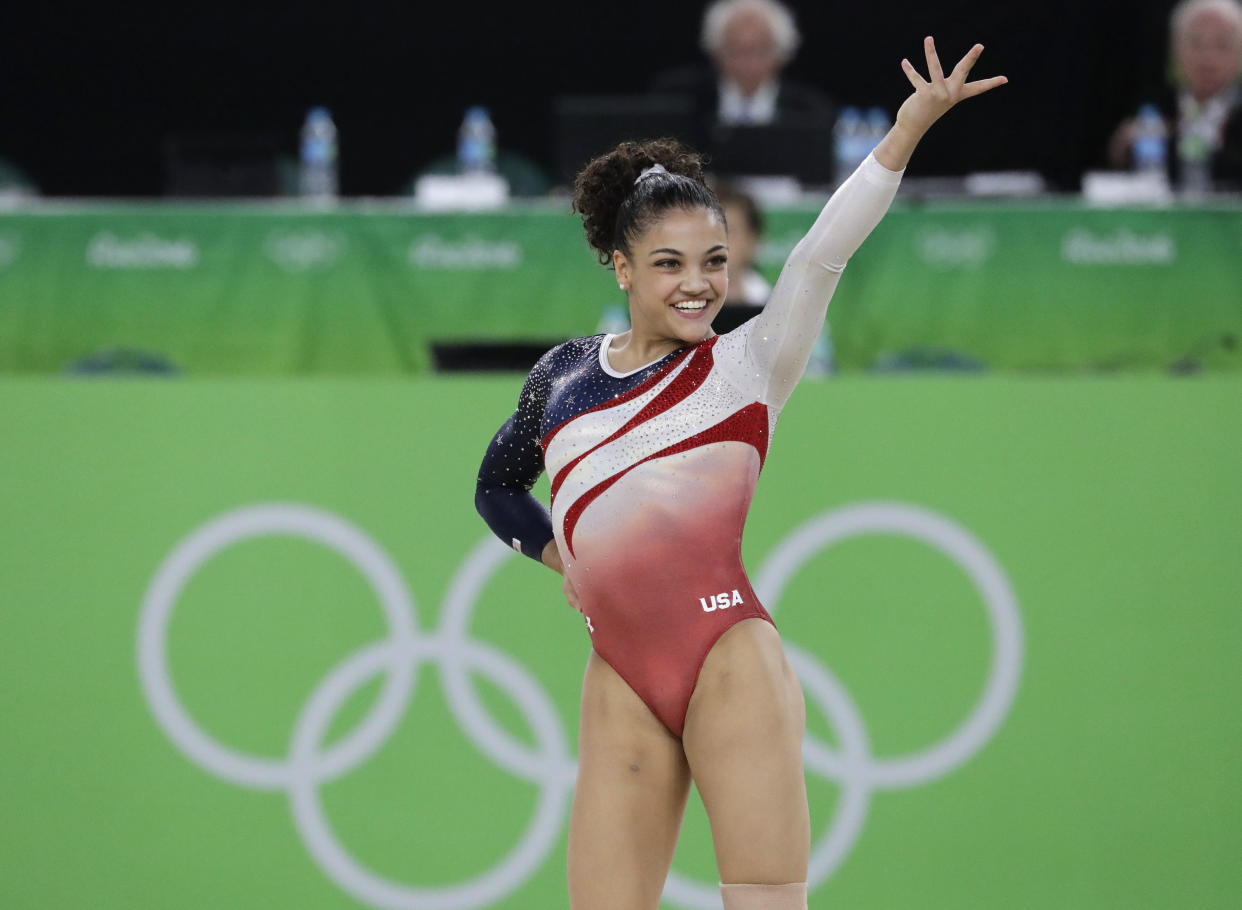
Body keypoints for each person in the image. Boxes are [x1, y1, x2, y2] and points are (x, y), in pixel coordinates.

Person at [475, 36, 1006, 910]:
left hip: (730, 665)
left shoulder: (749, 364)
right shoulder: (561, 377)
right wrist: (559, 558)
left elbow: (824, 253)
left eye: (714, 262)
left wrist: (906, 130)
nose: (699, 286)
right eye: (669, 265)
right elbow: (497, 486)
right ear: (620, 266)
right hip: (618, 675)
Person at [1106, 0, 1242, 192]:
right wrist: (1124, 149)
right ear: (1176, 49)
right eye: (1196, 43)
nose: (1207, 57)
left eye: (1222, 44)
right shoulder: (1150, 106)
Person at [649, 0, 835, 129]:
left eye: (759, 50)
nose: (747, 63)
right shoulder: (678, 100)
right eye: (735, 50)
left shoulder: (811, 113)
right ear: (716, 52)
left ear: (781, 53)